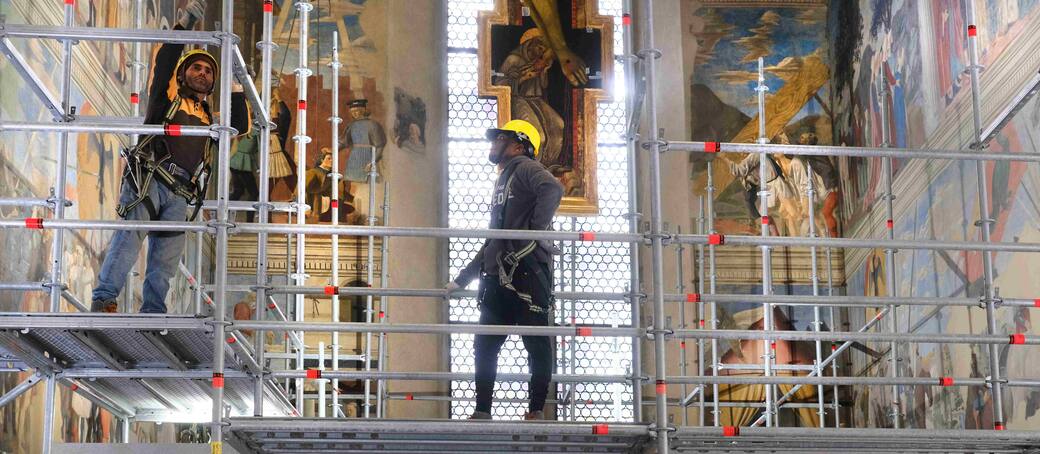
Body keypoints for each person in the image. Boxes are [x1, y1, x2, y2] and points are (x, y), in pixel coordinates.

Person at [90, 0, 249, 313]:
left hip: (181, 190)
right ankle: (104, 297)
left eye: (208, 71)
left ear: (212, 83)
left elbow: (240, 125)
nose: (202, 73)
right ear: (184, 73)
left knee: (166, 258)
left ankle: (153, 310)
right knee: (130, 237)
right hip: (150, 178)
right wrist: (184, 25)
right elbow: (164, 62)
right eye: (196, 68)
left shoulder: (210, 119)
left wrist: (237, 83)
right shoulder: (166, 101)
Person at [445, 119, 564, 420]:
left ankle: (535, 409)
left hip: (527, 273)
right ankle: (483, 410)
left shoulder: (525, 167)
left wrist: (534, 232)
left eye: (500, 139)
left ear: (520, 145)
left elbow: (552, 188)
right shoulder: (504, 179)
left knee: (535, 343)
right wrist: (463, 279)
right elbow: (494, 238)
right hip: (498, 276)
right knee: (485, 344)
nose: (494, 143)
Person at [494, 28, 565, 172]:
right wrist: (524, 77)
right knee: (539, 136)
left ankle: (549, 165)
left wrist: (543, 71)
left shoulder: (539, 61)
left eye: (543, 50)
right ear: (530, 44)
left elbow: (543, 85)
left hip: (536, 100)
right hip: (519, 99)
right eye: (539, 48)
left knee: (558, 124)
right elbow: (500, 84)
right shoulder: (513, 59)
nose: (541, 53)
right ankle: (534, 168)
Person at [342, 99, 387, 184]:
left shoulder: (373, 125)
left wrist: (373, 162)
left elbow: (380, 146)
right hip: (354, 159)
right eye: (352, 112)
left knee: (369, 184)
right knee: (352, 183)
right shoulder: (351, 125)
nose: (354, 114)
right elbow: (344, 141)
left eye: (356, 111)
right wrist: (332, 149)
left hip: (369, 157)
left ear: (363, 110)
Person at [304, 148, 355, 222]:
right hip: (316, 202)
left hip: (333, 202)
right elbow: (304, 189)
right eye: (329, 158)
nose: (331, 161)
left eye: (333, 159)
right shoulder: (313, 172)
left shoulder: (334, 174)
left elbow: (339, 191)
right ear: (322, 160)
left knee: (336, 199)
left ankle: (335, 215)